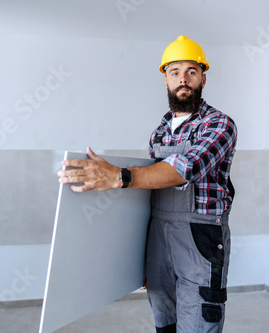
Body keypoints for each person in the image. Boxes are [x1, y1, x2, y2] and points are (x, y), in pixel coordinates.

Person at [58, 35, 237, 333]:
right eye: (175, 72)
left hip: (200, 235)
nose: (183, 79)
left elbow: (186, 168)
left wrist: (119, 176)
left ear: (203, 79)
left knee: (199, 319)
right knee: (164, 316)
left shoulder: (218, 124)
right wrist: (140, 259)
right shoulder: (160, 132)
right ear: (164, 80)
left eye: (191, 72)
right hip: (159, 233)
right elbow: (149, 194)